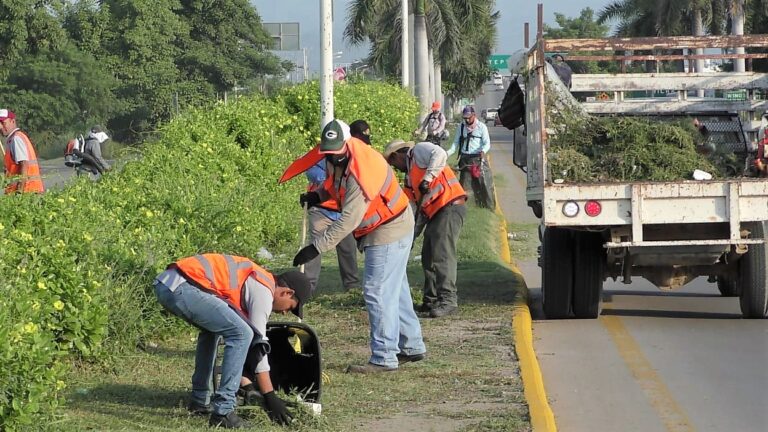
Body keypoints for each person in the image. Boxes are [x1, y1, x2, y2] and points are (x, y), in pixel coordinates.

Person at [291, 119, 427, 373]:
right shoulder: (337, 158)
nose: (333, 157)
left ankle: (385, 357)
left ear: (348, 142)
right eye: (328, 153)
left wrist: (316, 247)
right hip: (390, 225)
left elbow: (348, 220)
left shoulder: (362, 167)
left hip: (388, 229)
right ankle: (411, 345)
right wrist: (318, 195)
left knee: (376, 290)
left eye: (336, 152)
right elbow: (334, 187)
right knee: (394, 289)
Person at [153, 253, 311, 428]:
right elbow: (258, 347)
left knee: (212, 331)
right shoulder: (263, 292)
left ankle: (200, 401)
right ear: (287, 292)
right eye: (290, 307)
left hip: (169, 283)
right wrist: (270, 396)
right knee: (242, 333)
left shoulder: (257, 280)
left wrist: (248, 386)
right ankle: (224, 411)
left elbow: (245, 351)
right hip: (183, 287)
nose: (284, 313)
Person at [384, 139, 467, 318]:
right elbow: (414, 210)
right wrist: (409, 237)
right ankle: (431, 300)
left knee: (441, 254)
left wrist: (428, 179)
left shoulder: (418, 151)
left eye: (393, 163)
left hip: (449, 206)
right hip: (435, 213)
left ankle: (448, 300)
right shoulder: (409, 178)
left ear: (397, 155)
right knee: (428, 256)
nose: (395, 168)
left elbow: (441, 154)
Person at [303, 160, 361, 293]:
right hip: (321, 210)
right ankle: (307, 286)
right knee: (314, 246)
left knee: (348, 249)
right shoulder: (321, 156)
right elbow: (312, 172)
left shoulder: (352, 158)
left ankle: (352, 286)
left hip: (343, 213)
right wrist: (332, 177)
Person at [447, 106, 496, 209]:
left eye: (469, 117)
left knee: (484, 184)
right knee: (464, 186)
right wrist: (446, 154)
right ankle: (465, 208)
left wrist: (483, 151)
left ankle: (489, 207)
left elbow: (487, 143)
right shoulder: (461, 127)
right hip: (465, 159)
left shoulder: (482, 127)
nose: (467, 120)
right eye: (465, 118)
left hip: (478, 159)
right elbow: (455, 144)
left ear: (474, 115)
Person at [0, 109, 44, 194]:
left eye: (3, 123)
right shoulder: (13, 139)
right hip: (29, 191)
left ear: (12, 121)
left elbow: (24, 165)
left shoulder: (16, 139)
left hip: (27, 192)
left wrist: (19, 191)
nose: (0, 127)